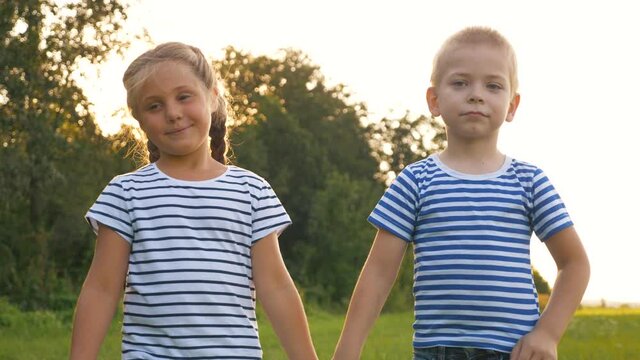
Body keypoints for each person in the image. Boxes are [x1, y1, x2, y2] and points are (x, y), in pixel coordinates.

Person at [333, 26, 590, 360]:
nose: (476, 94)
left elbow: (575, 264)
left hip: (513, 352)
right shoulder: (415, 181)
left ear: (512, 106)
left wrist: (547, 333)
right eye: (460, 83)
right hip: (436, 351)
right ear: (434, 100)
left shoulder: (530, 182)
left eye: (493, 85)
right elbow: (379, 273)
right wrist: (347, 351)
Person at [70, 42, 318, 360]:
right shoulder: (125, 194)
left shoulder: (252, 191)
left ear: (212, 97)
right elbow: (101, 290)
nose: (173, 113)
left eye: (183, 97)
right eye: (154, 106)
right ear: (139, 119)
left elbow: (276, 288)